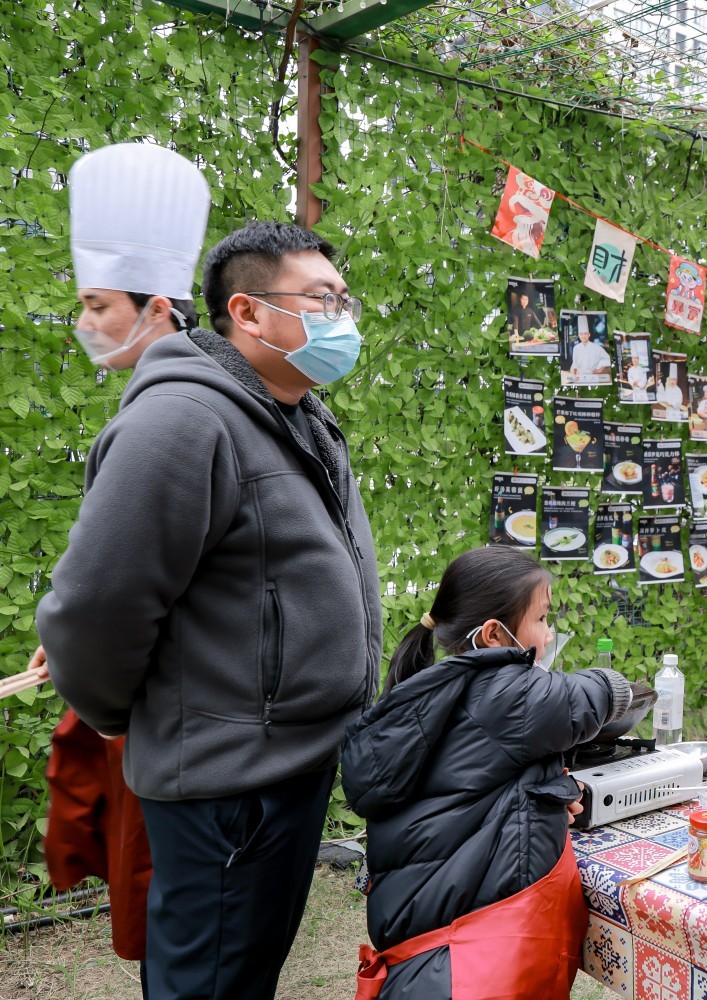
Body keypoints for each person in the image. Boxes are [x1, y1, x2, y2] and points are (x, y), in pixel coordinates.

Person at [37, 220, 382, 1000]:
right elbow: (94, 610)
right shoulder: (183, 422)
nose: (342, 318)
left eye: (344, 299)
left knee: (244, 972)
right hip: (229, 784)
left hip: (288, 765)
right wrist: (122, 715)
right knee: (210, 981)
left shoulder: (297, 414)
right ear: (248, 312)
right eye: (322, 299)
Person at [40, 141, 211, 980]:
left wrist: (95, 689)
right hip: (177, 713)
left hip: (177, 728)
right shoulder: (198, 394)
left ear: (158, 308)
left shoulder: (166, 415)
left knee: (182, 935)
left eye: (97, 304)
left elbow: (97, 608)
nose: (87, 322)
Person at [346, 546, 632, 999]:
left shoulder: (441, 692)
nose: (549, 632)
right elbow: (585, 697)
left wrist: (543, 798)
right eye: (541, 618)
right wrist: (620, 686)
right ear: (494, 634)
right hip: (468, 962)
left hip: (432, 947)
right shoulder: (503, 690)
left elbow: (475, 794)